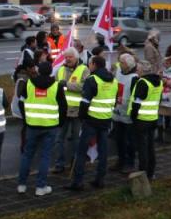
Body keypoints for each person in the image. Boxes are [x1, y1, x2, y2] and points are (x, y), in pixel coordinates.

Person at [17, 62, 67, 196]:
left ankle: (21, 185)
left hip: (32, 125)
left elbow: (20, 101)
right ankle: (40, 187)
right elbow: (63, 107)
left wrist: (26, 118)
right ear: (51, 71)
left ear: (38, 71)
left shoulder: (29, 83)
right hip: (50, 126)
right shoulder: (57, 86)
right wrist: (60, 123)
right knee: (45, 156)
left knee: (27, 155)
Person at [67, 55, 116, 192]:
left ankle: (78, 182)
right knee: (103, 151)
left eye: (90, 64)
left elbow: (85, 102)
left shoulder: (92, 80)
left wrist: (82, 117)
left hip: (91, 120)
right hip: (106, 119)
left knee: (82, 151)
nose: (89, 66)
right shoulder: (113, 80)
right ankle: (100, 179)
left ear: (94, 64)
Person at [53, 47, 87, 173]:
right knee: (59, 139)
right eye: (66, 57)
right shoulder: (60, 70)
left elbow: (85, 87)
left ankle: (75, 162)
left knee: (76, 139)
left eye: (70, 57)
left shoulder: (84, 69)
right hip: (63, 110)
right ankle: (59, 164)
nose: (67, 59)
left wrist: (67, 85)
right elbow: (55, 86)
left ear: (76, 57)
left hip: (77, 110)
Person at [128, 60, 162, 179]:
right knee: (150, 147)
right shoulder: (158, 81)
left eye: (137, 69)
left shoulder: (142, 82)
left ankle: (143, 173)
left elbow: (137, 103)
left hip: (141, 120)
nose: (136, 71)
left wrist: (133, 117)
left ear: (142, 70)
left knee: (142, 148)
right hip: (153, 118)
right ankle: (151, 173)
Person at [111, 53, 139, 173]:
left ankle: (130, 163)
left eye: (122, 62)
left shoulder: (134, 78)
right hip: (117, 112)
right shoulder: (118, 73)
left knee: (130, 141)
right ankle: (121, 160)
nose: (120, 64)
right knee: (119, 140)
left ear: (127, 65)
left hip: (128, 115)